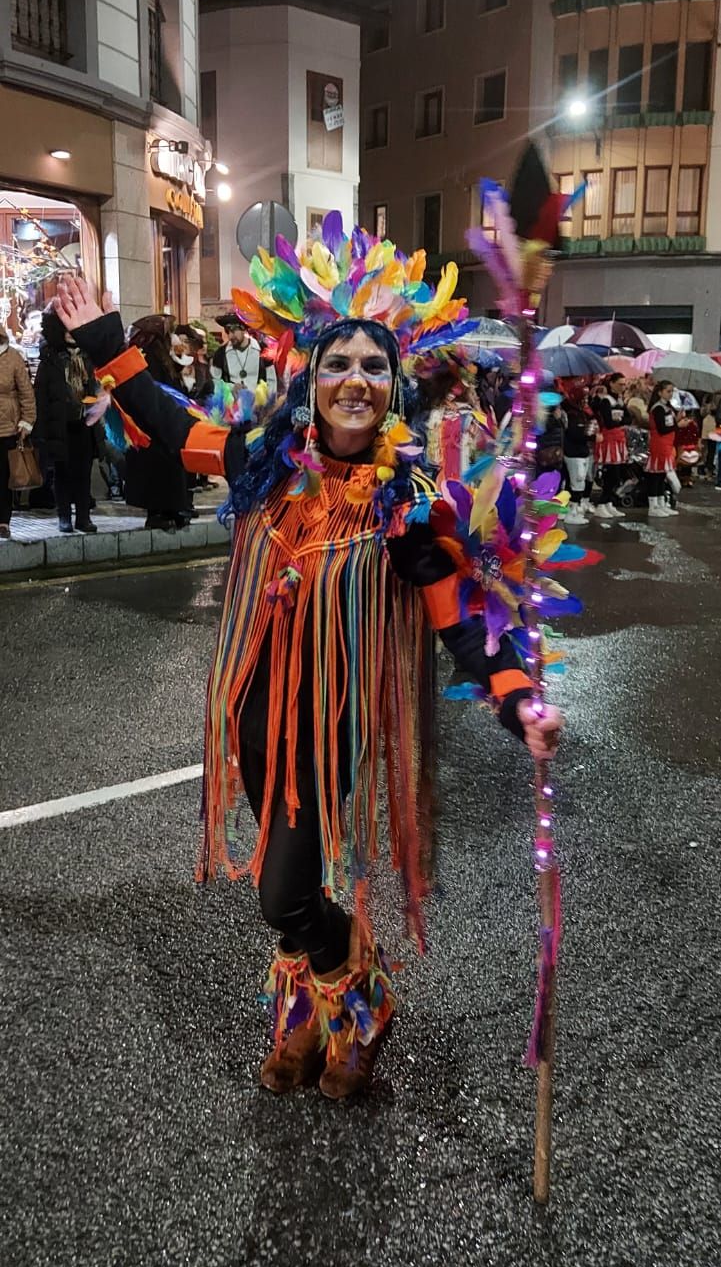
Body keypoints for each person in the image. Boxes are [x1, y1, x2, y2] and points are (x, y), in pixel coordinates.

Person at [53, 231, 562, 1103]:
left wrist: (516, 697)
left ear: (392, 386)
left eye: (373, 365)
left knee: (284, 896)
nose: (355, 379)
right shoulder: (262, 459)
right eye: (337, 363)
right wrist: (105, 337)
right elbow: (176, 426)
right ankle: (302, 1024)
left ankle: (362, 1003)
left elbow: (456, 620)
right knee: (285, 888)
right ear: (310, 378)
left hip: (328, 721)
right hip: (250, 708)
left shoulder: (404, 505)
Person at [123, 314, 191, 531]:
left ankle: (172, 508)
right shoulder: (149, 356)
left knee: (169, 469)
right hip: (154, 425)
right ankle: (159, 511)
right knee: (157, 471)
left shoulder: (163, 356)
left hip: (164, 421)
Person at [33, 310, 97, 534]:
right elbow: (40, 395)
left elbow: (96, 387)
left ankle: (83, 517)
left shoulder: (88, 357)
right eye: (66, 328)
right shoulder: (51, 358)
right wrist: (39, 431)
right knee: (62, 472)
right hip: (59, 423)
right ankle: (64, 517)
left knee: (83, 471)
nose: (70, 333)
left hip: (85, 422)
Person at [0, 323, 36, 540]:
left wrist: (26, 421)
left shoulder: (13, 357)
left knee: (4, 477)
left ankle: (3, 521)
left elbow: (26, 393)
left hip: (8, 428)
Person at [592, 373, 630, 518]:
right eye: (620, 384)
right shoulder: (606, 401)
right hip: (609, 440)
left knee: (617, 474)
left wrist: (619, 420)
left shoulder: (620, 400)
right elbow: (608, 422)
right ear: (612, 384)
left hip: (619, 439)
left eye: (624, 384)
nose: (623, 387)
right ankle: (602, 503)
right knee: (611, 474)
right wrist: (621, 421)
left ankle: (608, 502)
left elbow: (629, 418)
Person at [559, 382, 595, 525]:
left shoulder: (579, 412)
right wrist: (590, 434)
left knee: (574, 483)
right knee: (577, 483)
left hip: (578, 451)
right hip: (575, 452)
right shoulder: (573, 413)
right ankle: (572, 512)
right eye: (583, 397)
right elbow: (576, 433)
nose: (586, 400)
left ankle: (569, 509)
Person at [212, 313, 267, 394]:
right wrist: (231, 387)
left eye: (233, 331)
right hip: (231, 404)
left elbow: (272, 381)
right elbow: (215, 382)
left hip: (259, 404)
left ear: (243, 329)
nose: (230, 336)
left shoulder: (264, 351)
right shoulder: (220, 354)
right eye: (228, 332)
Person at [646, 381, 677, 518]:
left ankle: (661, 503)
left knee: (662, 475)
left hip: (667, 444)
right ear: (660, 392)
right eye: (668, 391)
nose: (670, 394)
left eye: (672, 391)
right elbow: (662, 429)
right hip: (659, 443)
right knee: (656, 475)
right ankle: (653, 506)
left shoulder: (668, 407)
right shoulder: (658, 408)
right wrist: (678, 425)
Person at [674, 409, 701, 488]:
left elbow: (677, 438)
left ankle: (682, 477)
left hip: (681, 448)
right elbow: (696, 437)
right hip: (692, 448)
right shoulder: (693, 424)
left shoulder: (680, 424)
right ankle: (687, 478)